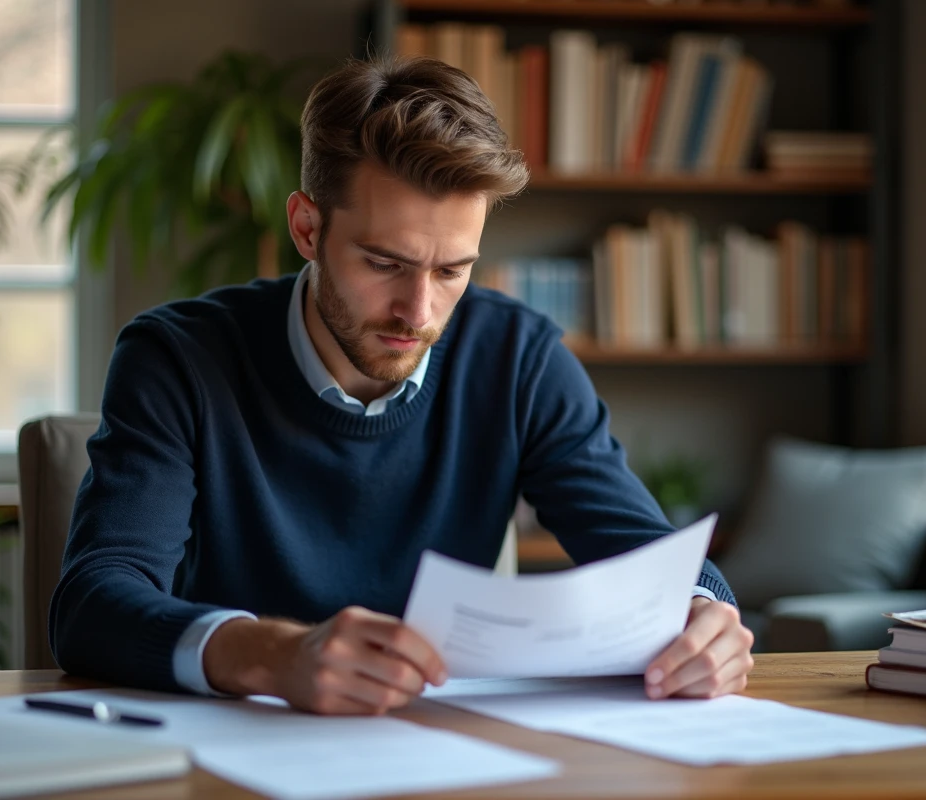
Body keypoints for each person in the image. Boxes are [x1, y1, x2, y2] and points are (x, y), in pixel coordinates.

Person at [50, 56, 754, 716]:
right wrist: (273, 655)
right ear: (306, 226)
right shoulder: (176, 358)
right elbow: (93, 602)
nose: (419, 312)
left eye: (452, 270)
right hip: (234, 752)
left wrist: (703, 613)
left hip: (452, 755)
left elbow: (648, 558)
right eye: (385, 262)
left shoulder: (519, 357)